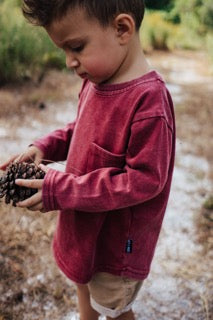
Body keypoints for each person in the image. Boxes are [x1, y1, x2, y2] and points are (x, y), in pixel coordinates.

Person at [0, 1, 176, 319]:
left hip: (113, 247)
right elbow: (79, 127)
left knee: (113, 308)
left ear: (122, 29)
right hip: (83, 232)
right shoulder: (96, 80)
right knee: (83, 285)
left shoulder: (149, 101)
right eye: (64, 51)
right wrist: (46, 146)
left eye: (77, 47)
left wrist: (64, 190)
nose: (69, 62)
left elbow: (145, 179)